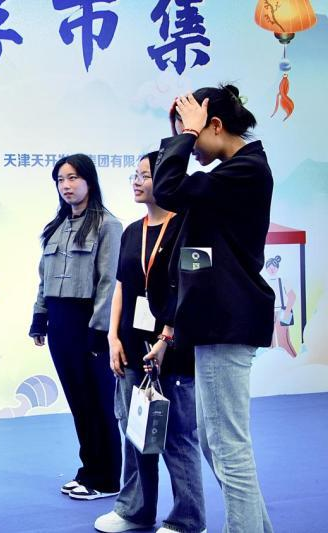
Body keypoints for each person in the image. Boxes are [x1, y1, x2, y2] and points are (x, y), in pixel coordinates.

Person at [154, 84, 275, 532]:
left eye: (192, 135)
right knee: (216, 443)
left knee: (227, 448)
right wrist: (185, 133)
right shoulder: (232, 173)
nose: (190, 147)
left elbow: (168, 189)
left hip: (227, 319)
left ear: (215, 125)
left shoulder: (245, 170)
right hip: (214, 320)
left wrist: (186, 133)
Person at [94, 152, 206, 533]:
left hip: (173, 349)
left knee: (177, 437)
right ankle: (134, 511)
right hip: (131, 347)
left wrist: (167, 337)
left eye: (146, 175)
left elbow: (195, 289)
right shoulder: (131, 232)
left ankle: (188, 520)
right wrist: (112, 336)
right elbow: (121, 288)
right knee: (135, 431)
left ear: (168, 179)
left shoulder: (189, 227)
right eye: (136, 174)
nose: (137, 181)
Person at [29, 154, 122, 500]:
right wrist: (39, 317)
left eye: (72, 178)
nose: (66, 186)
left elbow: (109, 282)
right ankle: (89, 471)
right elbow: (44, 279)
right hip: (60, 323)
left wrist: (100, 330)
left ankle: (108, 478)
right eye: (60, 180)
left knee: (99, 402)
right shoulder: (55, 227)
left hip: (89, 324)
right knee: (79, 401)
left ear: (89, 181)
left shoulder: (108, 225)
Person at [264, 255, 297, 357]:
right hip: (269, 312)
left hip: (283, 311)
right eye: (269, 267)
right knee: (270, 343)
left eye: (274, 266)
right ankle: (275, 363)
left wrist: (287, 312)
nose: (271, 269)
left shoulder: (283, 280)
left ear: (277, 268)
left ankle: (295, 361)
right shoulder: (264, 282)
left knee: (284, 341)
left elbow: (292, 297)